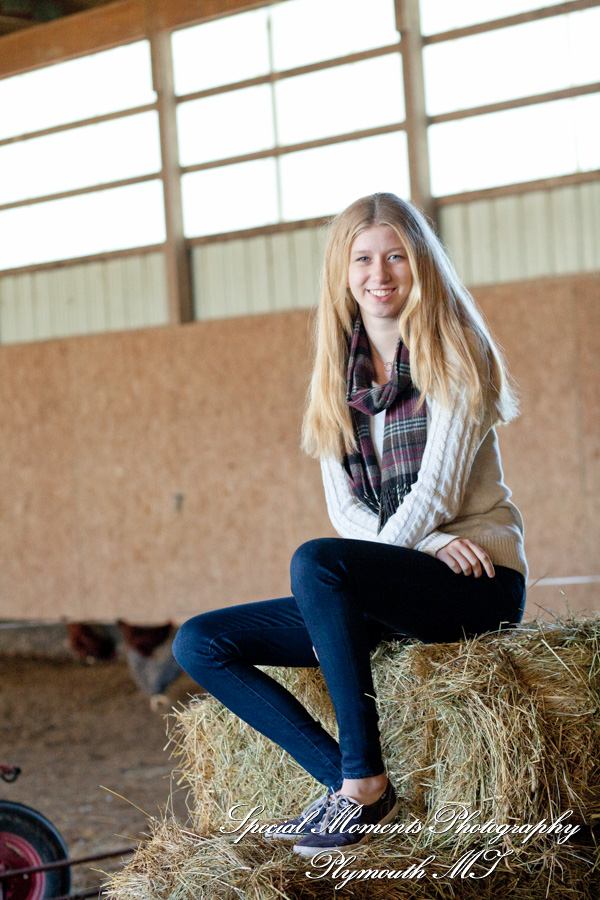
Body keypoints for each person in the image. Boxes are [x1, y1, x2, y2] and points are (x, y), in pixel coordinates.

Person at [172, 192, 527, 857]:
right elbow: (347, 512)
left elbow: (435, 493)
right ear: (342, 270)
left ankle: (365, 782)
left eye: (396, 257)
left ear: (422, 264)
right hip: (404, 574)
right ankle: (344, 780)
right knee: (199, 642)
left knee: (316, 562)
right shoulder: (337, 377)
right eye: (362, 258)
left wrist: (405, 554)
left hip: (474, 582)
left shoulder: (456, 352)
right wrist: (420, 547)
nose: (379, 274)